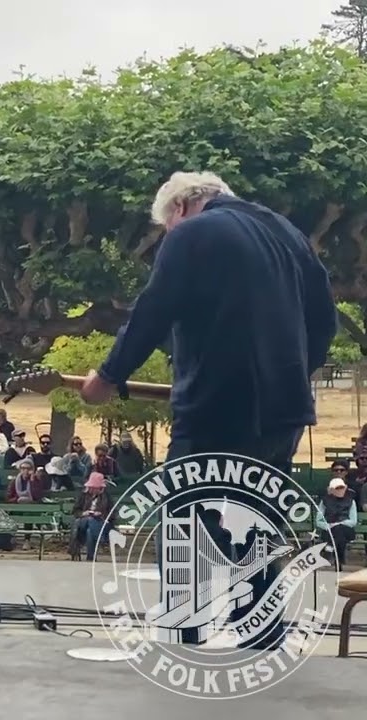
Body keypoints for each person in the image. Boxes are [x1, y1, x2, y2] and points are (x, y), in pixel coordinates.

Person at [78, 171, 337, 649]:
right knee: (255, 514)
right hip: (284, 406)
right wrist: (296, 372)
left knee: (186, 510)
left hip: (217, 400)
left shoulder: (193, 232)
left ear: (180, 207)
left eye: (165, 227)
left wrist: (108, 375)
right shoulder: (289, 233)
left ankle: (186, 620)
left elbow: (154, 309)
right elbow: (324, 320)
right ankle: (261, 628)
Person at [316, 477, 357, 566]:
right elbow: (318, 521)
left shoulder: (351, 502)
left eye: (341, 487)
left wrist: (338, 524)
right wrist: (329, 526)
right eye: (337, 488)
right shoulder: (324, 502)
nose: (340, 490)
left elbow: (353, 521)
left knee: (339, 529)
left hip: (347, 530)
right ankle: (340, 558)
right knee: (338, 532)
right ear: (331, 490)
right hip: (329, 530)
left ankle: (329, 549)